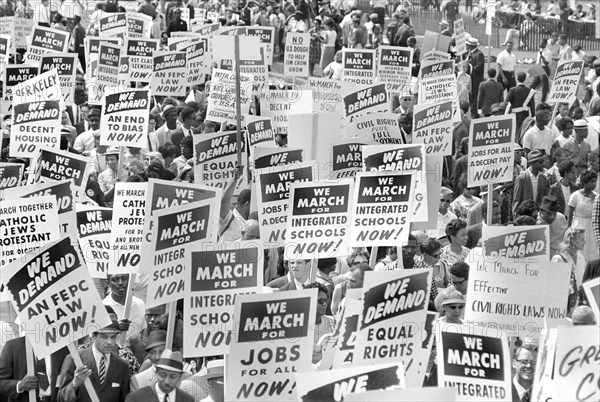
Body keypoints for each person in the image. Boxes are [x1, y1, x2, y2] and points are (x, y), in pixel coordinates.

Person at [57, 317, 130, 402]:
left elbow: (124, 398)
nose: (109, 342)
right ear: (93, 337)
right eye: (104, 337)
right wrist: (74, 384)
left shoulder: (122, 366)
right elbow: (61, 399)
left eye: (113, 337)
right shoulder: (74, 359)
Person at [125, 350, 193, 402]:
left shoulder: (187, 400)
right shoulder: (136, 398)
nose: (167, 381)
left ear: (180, 377)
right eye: (162, 375)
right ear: (156, 373)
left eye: (172, 377)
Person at [552, 226, 587, 314]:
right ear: (573, 241)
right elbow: (552, 287)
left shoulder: (581, 258)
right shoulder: (558, 259)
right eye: (582, 239)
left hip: (578, 307)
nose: (585, 242)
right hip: (562, 309)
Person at [103, 274, 146, 342]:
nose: (120, 283)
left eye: (124, 278)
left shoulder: (139, 304)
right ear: (108, 283)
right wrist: (116, 329)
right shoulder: (102, 307)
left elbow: (143, 333)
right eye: (115, 280)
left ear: (130, 280)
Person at [567, 170, 599, 261]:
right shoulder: (575, 196)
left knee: (593, 249)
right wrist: (569, 228)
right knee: (580, 250)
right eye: (591, 182)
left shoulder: (597, 196)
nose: (594, 184)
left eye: (595, 181)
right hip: (579, 225)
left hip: (592, 227)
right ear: (584, 183)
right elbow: (570, 214)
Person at [512, 149, 551, 217]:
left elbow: (546, 200)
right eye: (541, 162)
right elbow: (516, 201)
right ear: (532, 163)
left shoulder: (544, 178)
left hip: (540, 217)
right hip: (525, 217)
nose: (543, 164)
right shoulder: (521, 178)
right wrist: (517, 218)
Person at [304, 283, 335, 364]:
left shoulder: (331, 321)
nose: (325, 304)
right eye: (321, 301)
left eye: (326, 300)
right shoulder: (301, 325)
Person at [467, 37, 485, 118]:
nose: (466, 46)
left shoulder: (479, 54)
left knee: (474, 96)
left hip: (476, 80)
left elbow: (479, 66)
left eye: (467, 45)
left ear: (471, 46)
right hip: (470, 79)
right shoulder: (470, 53)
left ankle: (475, 114)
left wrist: (469, 69)